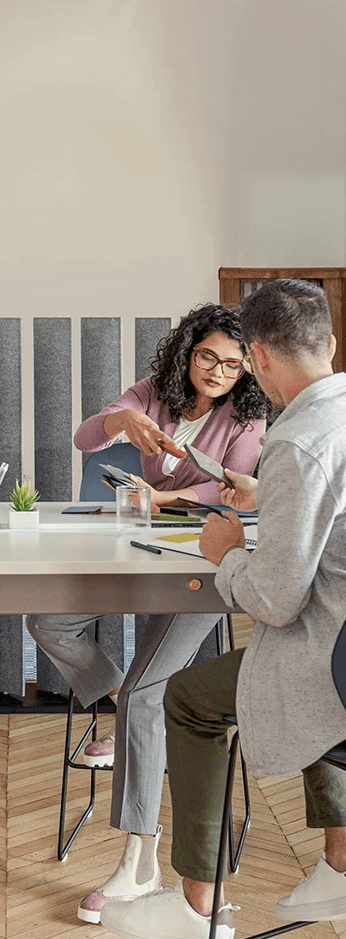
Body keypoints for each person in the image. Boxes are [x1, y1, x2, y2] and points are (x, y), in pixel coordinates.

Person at [99, 278, 346, 939]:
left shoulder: (299, 440)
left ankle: (196, 907)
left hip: (342, 669)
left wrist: (225, 551)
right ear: (331, 343)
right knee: (286, 660)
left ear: (255, 358)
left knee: (188, 696)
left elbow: (273, 602)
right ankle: (345, 860)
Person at [27, 303, 270, 923]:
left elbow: (234, 489)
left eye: (233, 363)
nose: (218, 370)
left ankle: (139, 863)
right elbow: (86, 438)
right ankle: (121, 703)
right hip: (136, 549)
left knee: (148, 694)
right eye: (207, 356)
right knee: (47, 620)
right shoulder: (152, 395)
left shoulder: (246, 416)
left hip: (202, 563)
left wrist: (171, 495)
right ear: (187, 353)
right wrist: (124, 417)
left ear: (248, 369)